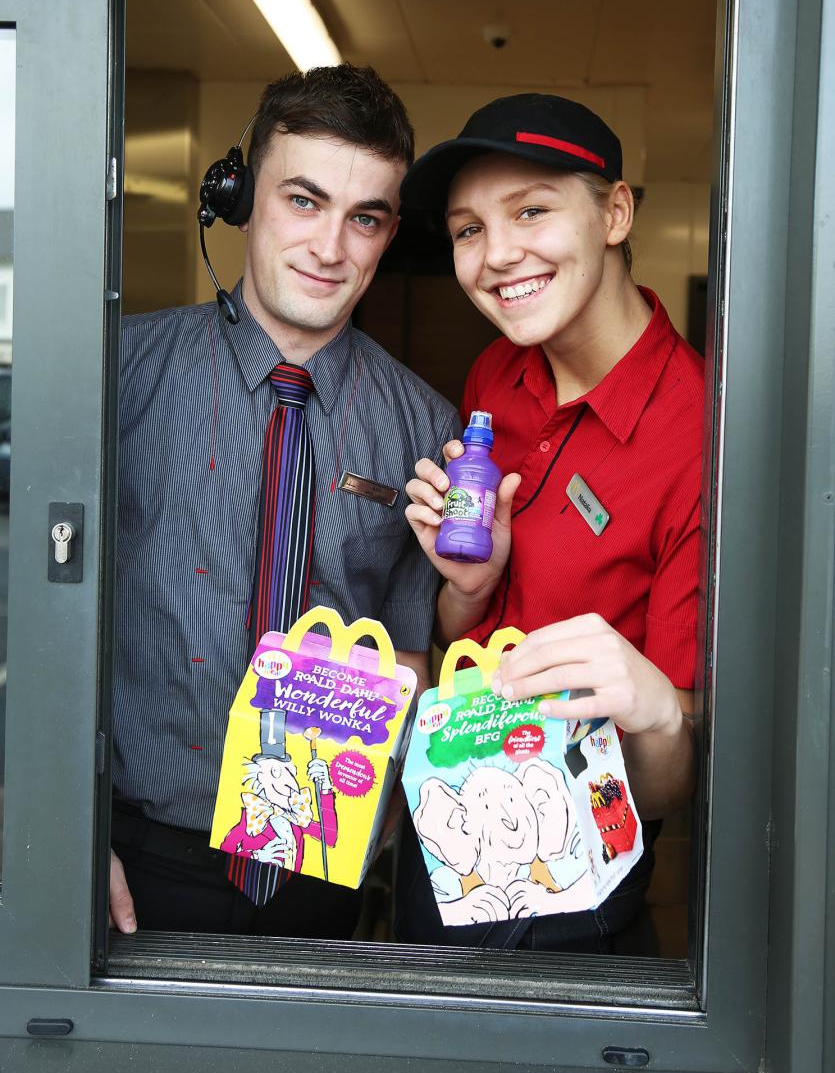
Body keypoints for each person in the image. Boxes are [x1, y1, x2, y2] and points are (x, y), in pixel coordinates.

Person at [109, 64, 459, 940]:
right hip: (126, 857)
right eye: (303, 201)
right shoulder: (117, 373)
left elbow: (409, 650)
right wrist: (52, 831)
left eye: (364, 218)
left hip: (324, 872)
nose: (330, 247)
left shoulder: (426, 423)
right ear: (239, 199)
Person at [395, 93, 702, 952]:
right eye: (466, 230)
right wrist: (470, 586)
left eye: (530, 210)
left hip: (569, 861)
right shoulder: (498, 373)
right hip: (447, 807)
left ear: (614, 211)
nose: (496, 256)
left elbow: (673, 783)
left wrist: (656, 708)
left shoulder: (702, 436)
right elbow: (466, 630)